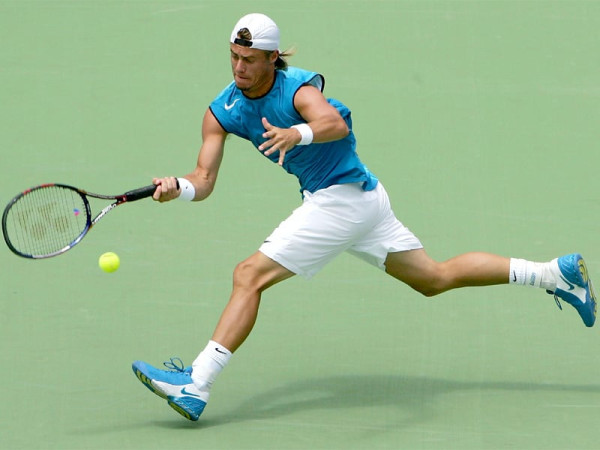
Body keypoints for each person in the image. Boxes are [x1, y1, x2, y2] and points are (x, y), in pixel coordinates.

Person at [132, 13, 596, 422]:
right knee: (432, 278)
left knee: (248, 275)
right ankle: (554, 274)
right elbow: (204, 179)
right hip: (364, 200)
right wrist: (179, 188)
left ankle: (197, 383)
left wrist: (296, 133)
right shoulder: (224, 109)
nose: (239, 68)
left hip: (341, 200)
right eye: (234, 57)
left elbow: (335, 124)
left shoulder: (298, 89)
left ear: (273, 58)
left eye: (249, 60)